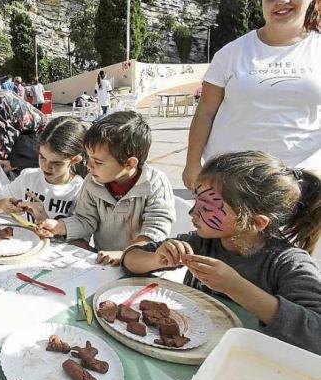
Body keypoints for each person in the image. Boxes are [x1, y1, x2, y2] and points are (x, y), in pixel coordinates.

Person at [123, 151, 321, 354]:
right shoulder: (203, 241)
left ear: (256, 222)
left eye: (207, 208)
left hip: (245, 360)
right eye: (196, 200)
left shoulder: (288, 263)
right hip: (194, 350)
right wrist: (156, 259)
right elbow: (130, 260)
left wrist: (235, 287)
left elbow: (316, 334)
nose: (192, 212)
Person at [184, 0, 321, 190]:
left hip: (299, 183)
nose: (282, 1)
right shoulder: (231, 53)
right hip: (229, 180)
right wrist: (192, 164)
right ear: (262, 3)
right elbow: (205, 112)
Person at [36, 111, 176, 266]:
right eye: (89, 157)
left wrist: (126, 255)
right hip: (104, 262)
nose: (89, 165)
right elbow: (85, 220)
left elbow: (156, 229)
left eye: (98, 162)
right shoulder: (92, 181)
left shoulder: (155, 183)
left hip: (142, 264)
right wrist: (58, 226)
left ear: (129, 163)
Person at [0, 117, 89, 222]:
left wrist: (45, 220)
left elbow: (82, 230)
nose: (46, 166)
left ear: (75, 160)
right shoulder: (28, 177)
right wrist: (2, 205)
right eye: (42, 157)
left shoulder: (80, 191)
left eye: (56, 163)